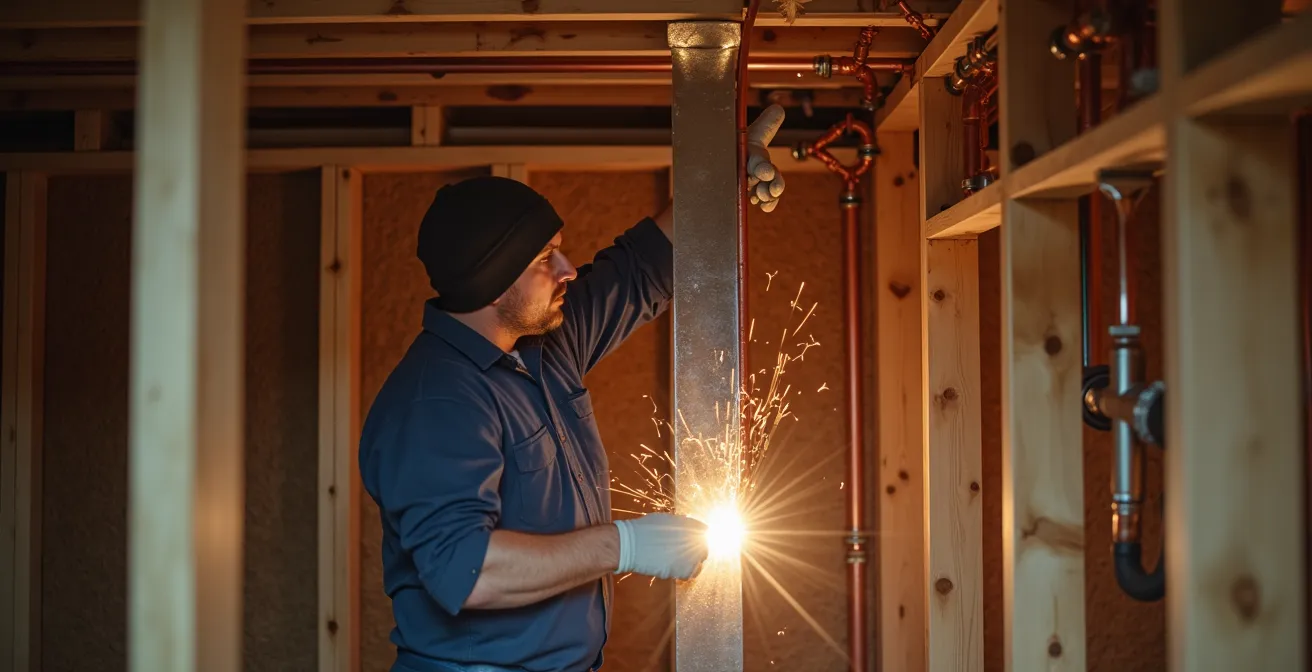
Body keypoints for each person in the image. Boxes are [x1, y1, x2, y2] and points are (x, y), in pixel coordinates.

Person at [358, 104, 787, 672]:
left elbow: (644, 268)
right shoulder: (436, 402)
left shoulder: (542, 345)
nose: (567, 269)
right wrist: (626, 545)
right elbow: (468, 571)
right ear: (492, 283)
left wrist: (720, 178)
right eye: (545, 259)